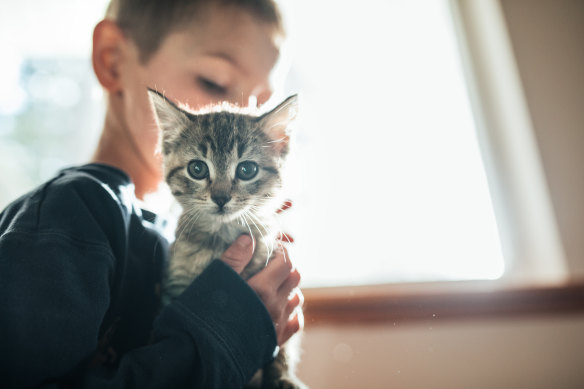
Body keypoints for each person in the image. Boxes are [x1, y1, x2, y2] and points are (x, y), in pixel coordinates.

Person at [0, 0, 303, 387]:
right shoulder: (65, 218)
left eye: (257, 104)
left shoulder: (170, 231)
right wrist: (230, 333)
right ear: (112, 59)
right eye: (215, 82)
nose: (234, 115)